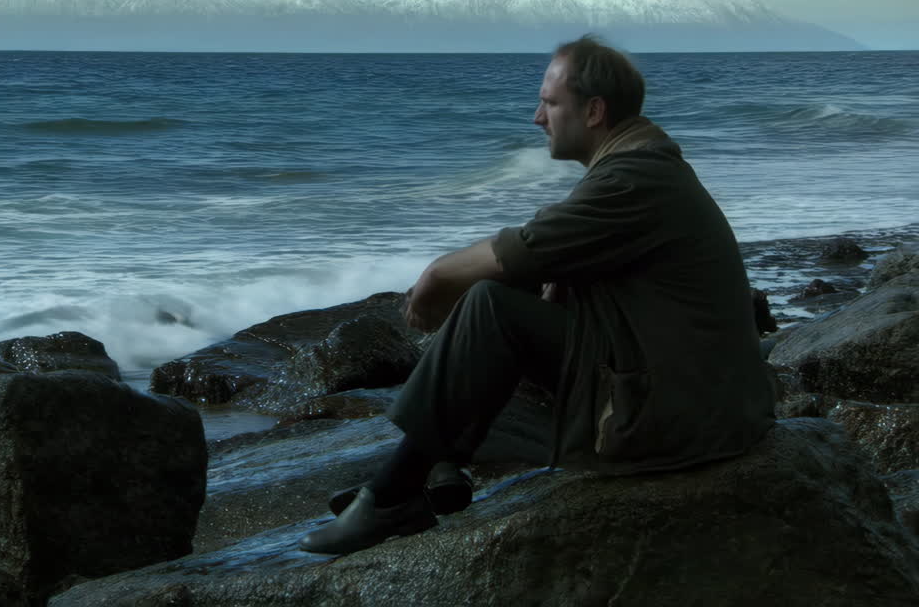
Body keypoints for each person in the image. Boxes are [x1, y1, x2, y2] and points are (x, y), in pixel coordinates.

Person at [299, 35, 776, 555]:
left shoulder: (634, 180)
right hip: (698, 402)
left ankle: (392, 496)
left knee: (491, 307)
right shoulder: (641, 164)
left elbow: (523, 247)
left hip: (686, 422)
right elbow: (542, 254)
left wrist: (436, 275)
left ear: (593, 111)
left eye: (549, 103)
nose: (536, 118)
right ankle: (439, 466)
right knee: (514, 293)